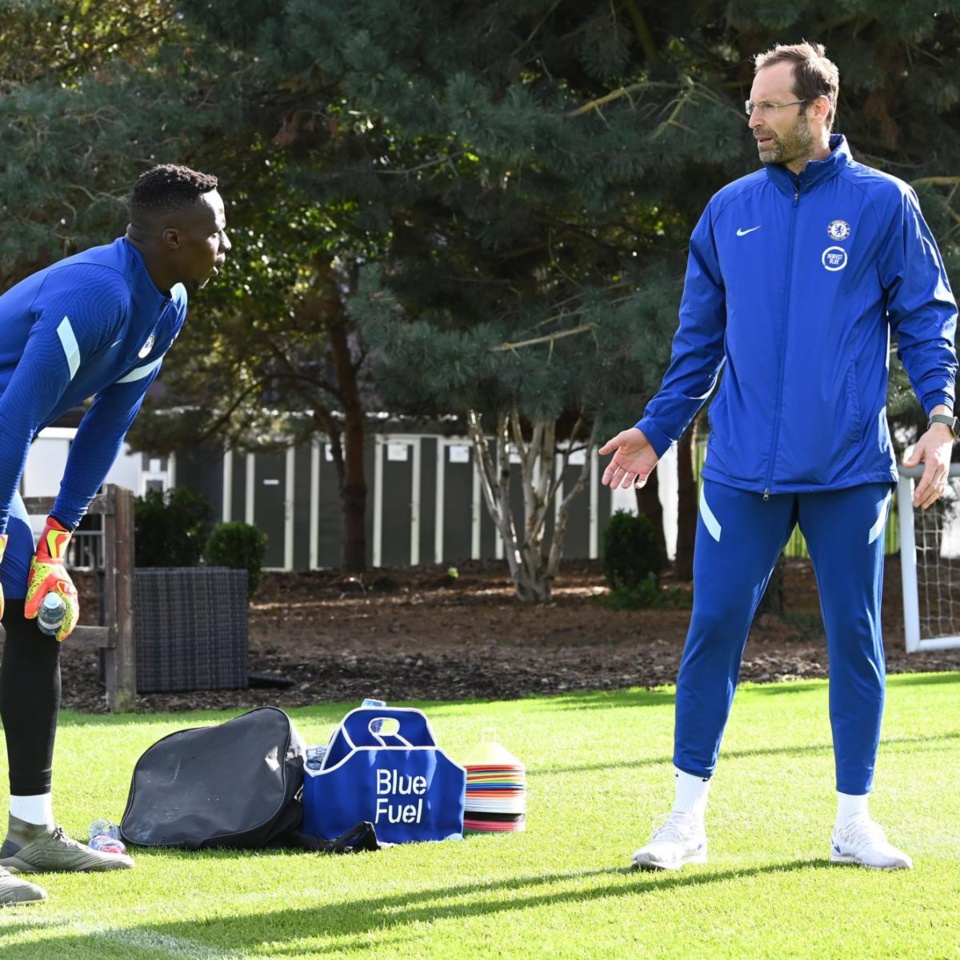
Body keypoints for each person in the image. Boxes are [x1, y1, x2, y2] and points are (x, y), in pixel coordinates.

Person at [600, 42, 957, 872]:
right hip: (740, 473)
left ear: (817, 110)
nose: (751, 119)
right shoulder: (728, 210)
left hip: (848, 472)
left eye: (767, 106)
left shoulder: (883, 205)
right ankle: (684, 822)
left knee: (856, 639)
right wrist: (657, 430)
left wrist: (940, 420)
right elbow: (698, 347)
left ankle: (853, 822)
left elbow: (928, 320)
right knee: (714, 629)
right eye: (751, 105)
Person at [0, 164, 231, 905]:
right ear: (173, 237)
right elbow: (17, 417)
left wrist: (57, 536)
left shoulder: (168, 304)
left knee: (39, 612)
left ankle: (31, 833)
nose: (224, 243)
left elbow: (108, 422)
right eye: (214, 231)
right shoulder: (96, 291)